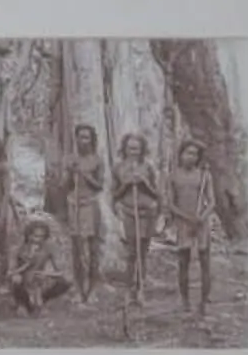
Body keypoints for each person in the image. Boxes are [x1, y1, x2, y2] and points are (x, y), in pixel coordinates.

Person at [164, 137, 220, 315]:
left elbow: (212, 201)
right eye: (188, 153)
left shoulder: (204, 176)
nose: (192, 157)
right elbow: (171, 204)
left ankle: (204, 301)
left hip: (201, 223)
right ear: (180, 154)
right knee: (183, 262)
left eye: (195, 154)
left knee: (205, 261)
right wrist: (186, 218)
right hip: (183, 223)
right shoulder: (173, 176)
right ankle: (185, 300)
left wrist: (201, 217)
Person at [111, 132, 165, 304]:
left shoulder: (148, 167)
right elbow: (114, 195)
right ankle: (129, 289)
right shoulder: (118, 168)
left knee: (143, 251)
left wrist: (144, 183)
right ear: (124, 149)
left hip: (147, 212)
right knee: (131, 252)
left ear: (142, 150)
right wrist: (126, 184)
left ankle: (141, 288)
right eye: (130, 148)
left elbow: (157, 194)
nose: (133, 152)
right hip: (128, 212)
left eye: (137, 149)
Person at [61, 125, 111, 302]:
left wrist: (84, 174)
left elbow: (99, 186)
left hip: (90, 204)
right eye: (80, 137)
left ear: (92, 140)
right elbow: (64, 186)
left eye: (86, 138)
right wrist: (70, 173)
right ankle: (77, 286)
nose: (83, 141)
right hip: (73, 204)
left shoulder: (96, 160)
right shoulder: (69, 159)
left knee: (91, 247)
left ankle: (93, 287)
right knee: (76, 247)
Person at [9, 214, 73, 315]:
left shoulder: (49, 246)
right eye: (35, 236)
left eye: (41, 237)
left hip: (39, 280)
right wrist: (25, 265)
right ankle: (23, 303)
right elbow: (10, 271)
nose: (38, 239)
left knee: (67, 280)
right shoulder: (18, 248)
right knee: (15, 279)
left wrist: (46, 274)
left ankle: (43, 300)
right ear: (28, 235)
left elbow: (61, 271)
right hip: (24, 280)